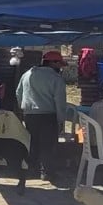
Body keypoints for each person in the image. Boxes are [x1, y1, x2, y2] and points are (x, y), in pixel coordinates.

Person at [16, 51, 68, 181]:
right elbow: (60, 101)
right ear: (52, 63)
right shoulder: (56, 79)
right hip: (48, 116)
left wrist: (24, 109)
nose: (60, 68)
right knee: (48, 145)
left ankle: (32, 169)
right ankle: (47, 173)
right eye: (59, 64)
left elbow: (18, 93)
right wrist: (61, 120)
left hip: (30, 115)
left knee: (33, 143)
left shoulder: (27, 75)